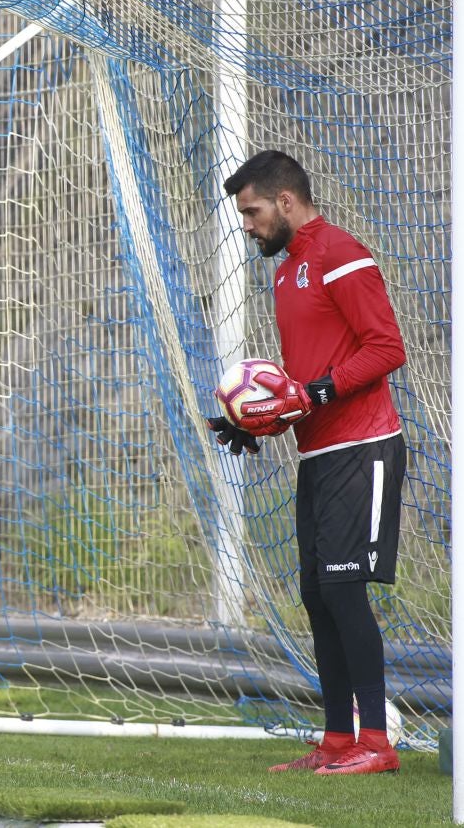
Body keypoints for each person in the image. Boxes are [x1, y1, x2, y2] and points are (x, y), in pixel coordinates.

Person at [210, 150, 406, 776]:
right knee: (318, 597)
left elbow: (387, 347)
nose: (248, 225)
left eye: (253, 211)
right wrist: (254, 420)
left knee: (344, 593)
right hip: (317, 454)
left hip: (364, 446)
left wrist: (317, 392)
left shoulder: (339, 252)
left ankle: (377, 743)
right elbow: (301, 382)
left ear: (286, 201)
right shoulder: (287, 270)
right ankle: (338, 740)